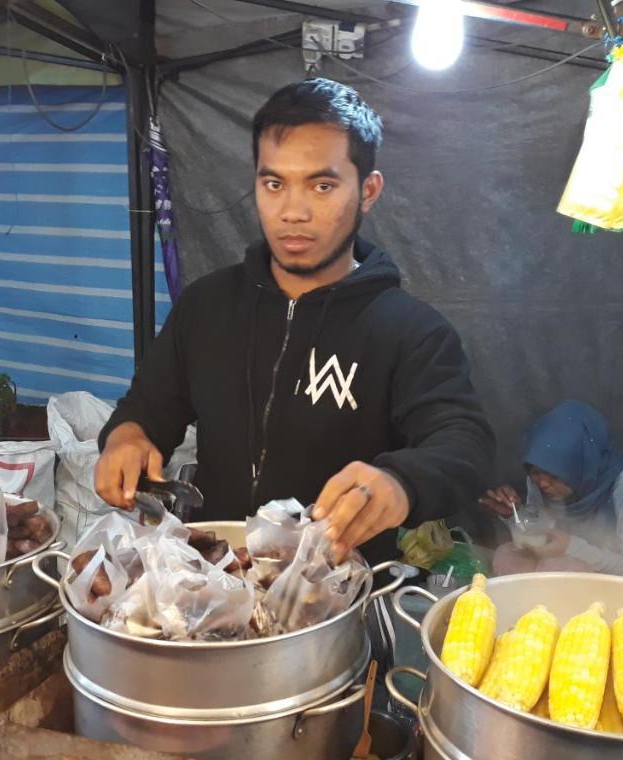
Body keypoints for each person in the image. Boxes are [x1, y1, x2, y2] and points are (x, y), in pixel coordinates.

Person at [94, 78, 495, 562]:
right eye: (274, 183)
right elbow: (147, 407)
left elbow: (463, 443)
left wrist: (400, 482)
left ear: (368, 190)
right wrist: (128, 437)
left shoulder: (410, 332)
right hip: (213, 577)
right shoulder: (206, 306)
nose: (293, 212)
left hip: (337, 593)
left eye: (322, 185)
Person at [481, 401, 623, 579]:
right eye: (536, 473)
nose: (543, 484)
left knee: (557, 568)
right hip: (563, 562)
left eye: (555, 475)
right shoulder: (538, 480)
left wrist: (572, 547)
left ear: (581, 465)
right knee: (508, 556)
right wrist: (513, 515)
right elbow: (540, 526)